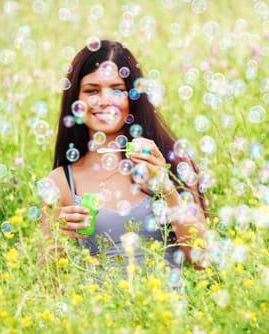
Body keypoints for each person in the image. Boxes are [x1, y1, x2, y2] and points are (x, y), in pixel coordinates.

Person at [39, 40, 207, 271]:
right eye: (92, 90)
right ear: (76, 100)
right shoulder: (61, 181)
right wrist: (58, 236)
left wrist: (166, 187)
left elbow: (202, 260)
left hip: (163, 305)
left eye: (117, 89)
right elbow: (49, 282)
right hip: (100, 306)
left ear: (133, 97)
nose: (105, 100)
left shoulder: (171, 162)